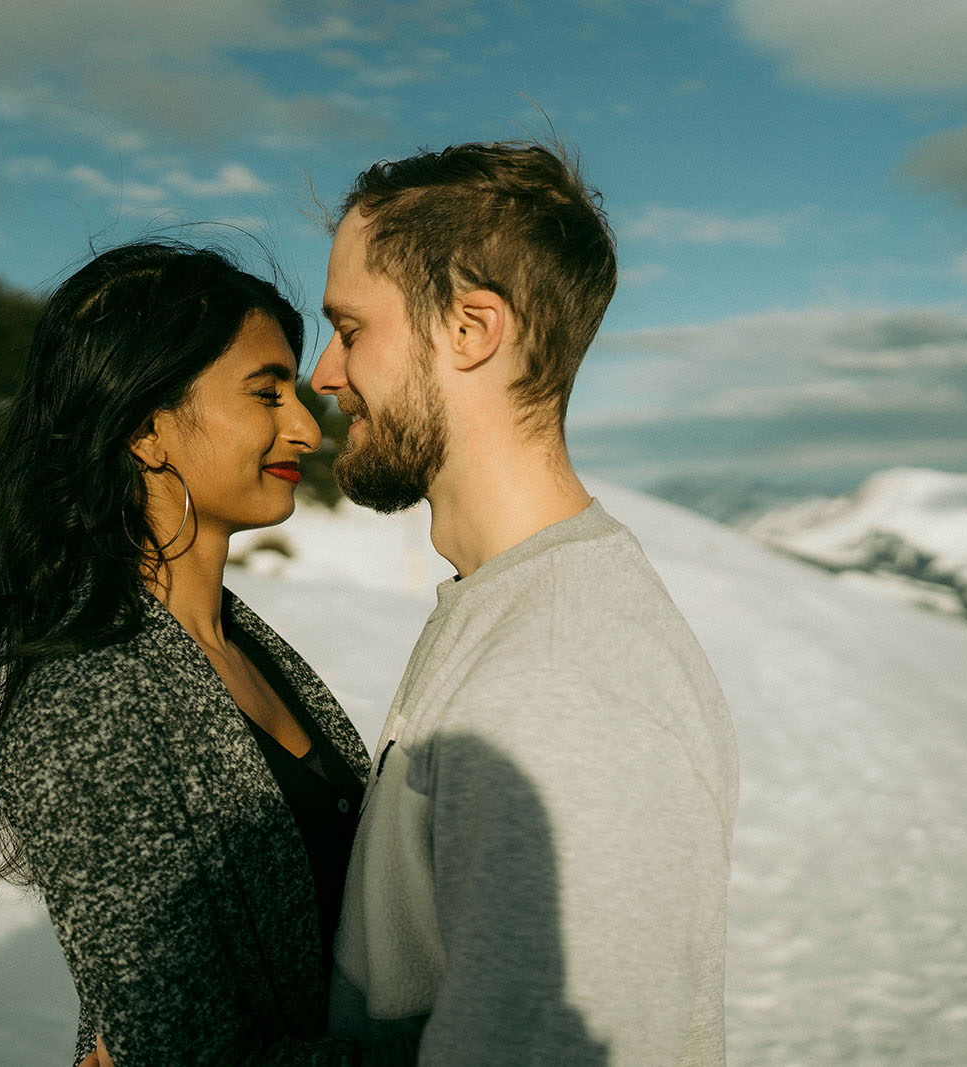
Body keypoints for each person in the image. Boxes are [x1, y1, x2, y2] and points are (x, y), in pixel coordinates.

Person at [0, 242, 368, 1066]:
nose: (303, 422)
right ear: (148, 428)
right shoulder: (91, 702)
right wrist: (479, 1044)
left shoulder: (238, 639)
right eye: (267, 393)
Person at [310, 142, 739, 1064]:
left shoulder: (561, 677)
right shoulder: (515, 611)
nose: (324, 375)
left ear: (471, 328)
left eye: (349, 329)